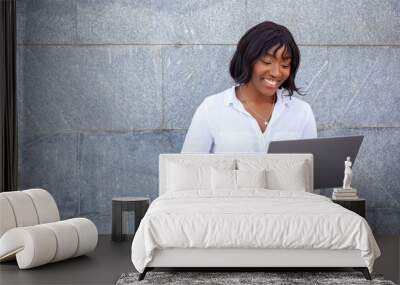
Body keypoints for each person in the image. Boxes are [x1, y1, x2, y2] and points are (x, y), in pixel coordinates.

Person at [182, 21, 317, 153]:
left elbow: (312, 170)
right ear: (248, 59)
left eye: (285, 65)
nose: (276, 73)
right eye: (267, 61)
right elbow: (187, 170)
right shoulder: (211, 108)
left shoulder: (301, 112)